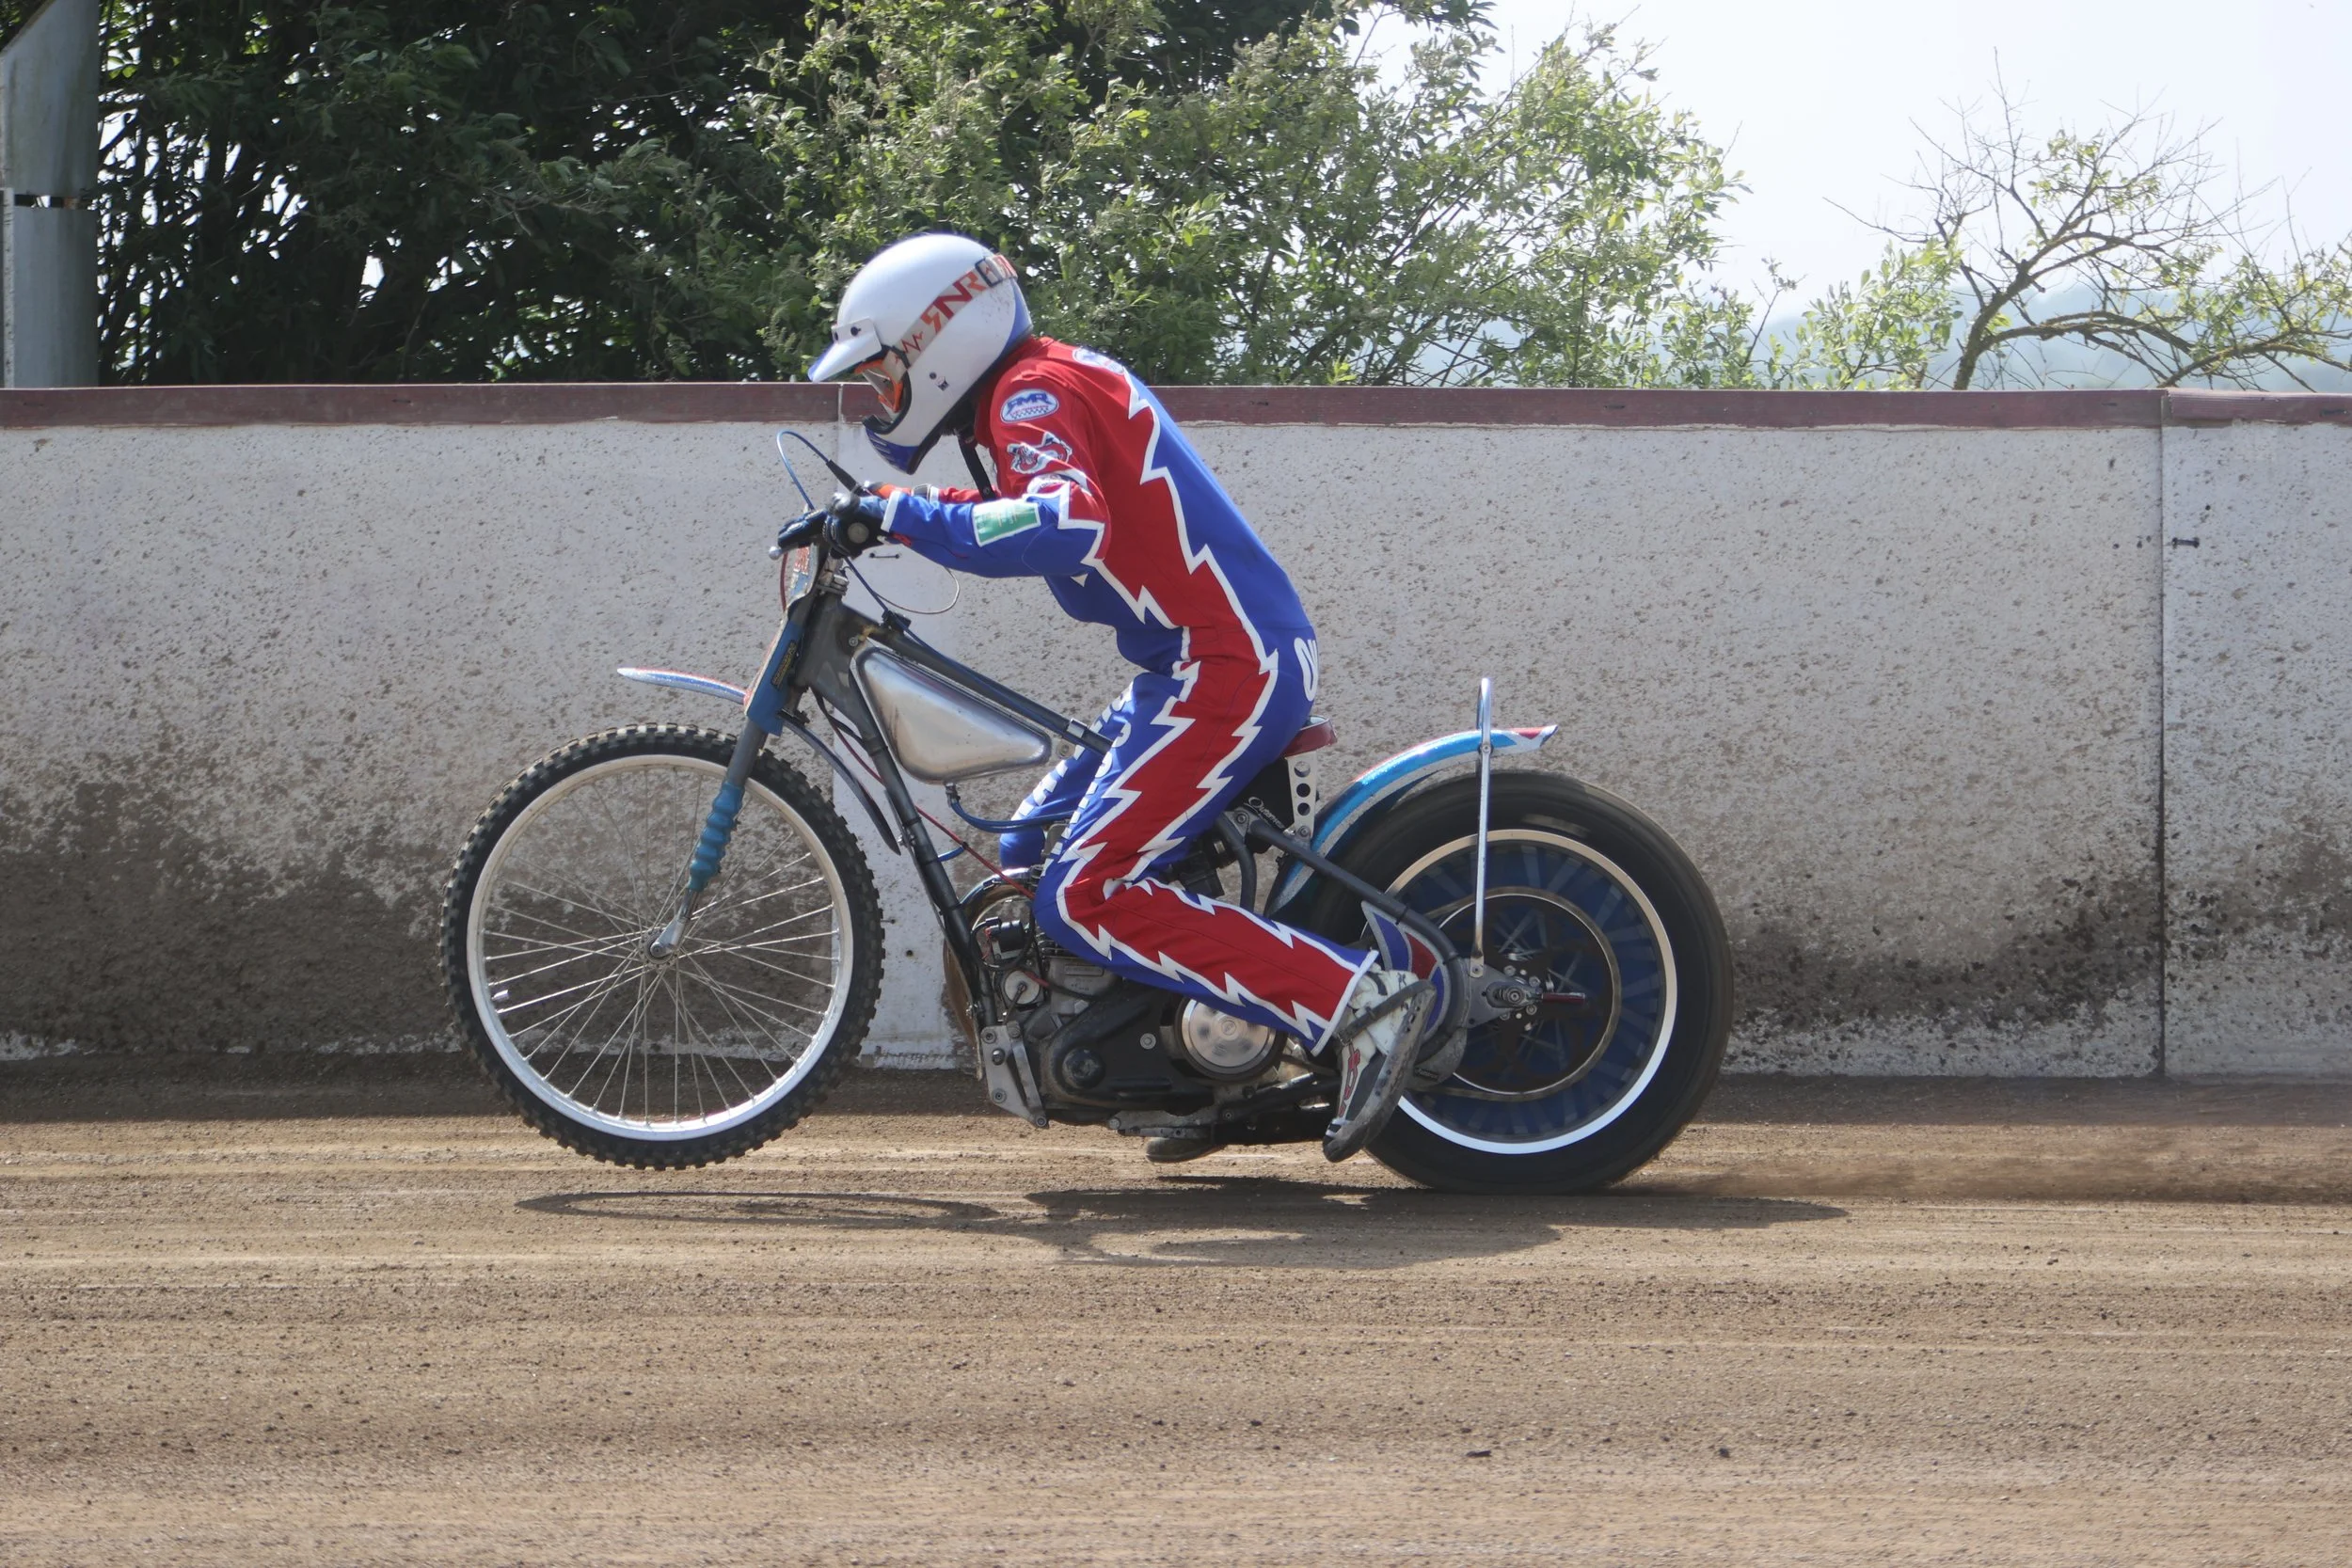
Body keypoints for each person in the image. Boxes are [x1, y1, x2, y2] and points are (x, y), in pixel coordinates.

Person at [806, 232, 1435, 1163]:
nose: (883, 394)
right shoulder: (1040, 382)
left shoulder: (1029, 393)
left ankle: (1359, 1000)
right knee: (1026, 850)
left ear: (939, 339)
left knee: (1086, 893)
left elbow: (1064, 521)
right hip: (1190, 667)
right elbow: (1049, 511)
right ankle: (1194, 1071)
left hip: (1223, 665)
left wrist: (901, 511)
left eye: (886, 369)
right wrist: (895, 510)